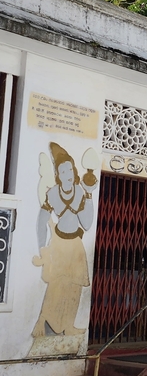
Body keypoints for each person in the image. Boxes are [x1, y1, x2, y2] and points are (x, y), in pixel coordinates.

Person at [32, 143, 97, 338]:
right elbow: (41, 222)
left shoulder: (80, 191)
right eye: (62, 170)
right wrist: (42, 247)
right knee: (55, 287)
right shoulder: (52, 193)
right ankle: (40, 323)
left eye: (69, 168)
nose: (67, 172)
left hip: (75, 246)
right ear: (58, 175)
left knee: (75, 288)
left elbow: (87, 224)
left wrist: (89, 195)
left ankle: (69, 325)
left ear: (74, 170)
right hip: (58, 245)